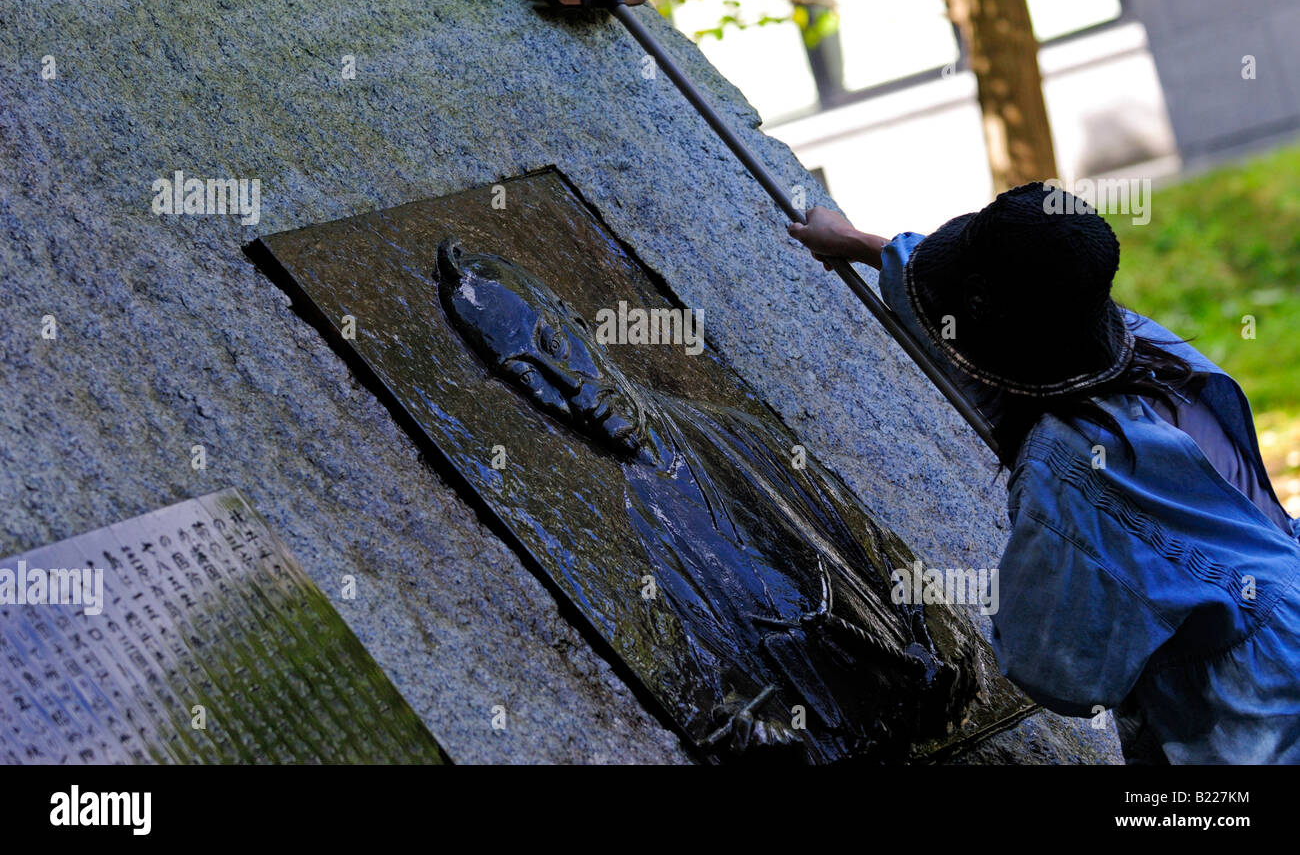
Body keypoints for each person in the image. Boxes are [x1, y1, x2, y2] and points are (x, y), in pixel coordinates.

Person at [787, 181, 1300, 764]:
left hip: (1260, 720)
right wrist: (859, 244)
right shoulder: (1150, 351)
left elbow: (1059, 671)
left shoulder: (1068, 470)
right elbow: (979, 313)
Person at [435, 236, 987, 761]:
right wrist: (747, 724)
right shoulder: (629, 533)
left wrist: (942, 647)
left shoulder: (744, 438)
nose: (572, 389)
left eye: (555, 346)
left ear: (577, 321)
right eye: (527, 373)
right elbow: (698, 671)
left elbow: (880, 557)